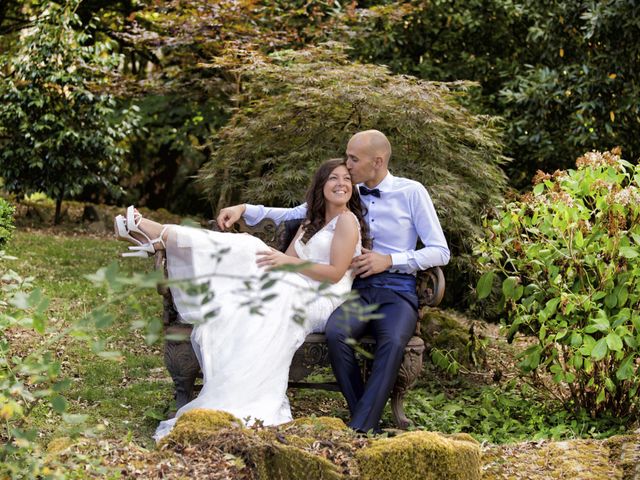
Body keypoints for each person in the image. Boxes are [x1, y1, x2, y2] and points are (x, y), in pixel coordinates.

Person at [113, 159, 367, 441]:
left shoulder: (347, 221)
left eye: (347, 179)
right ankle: (161, 237)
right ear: (321, 185)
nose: (341, 184)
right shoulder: (312, 221)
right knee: (247, 262)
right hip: (295, 284)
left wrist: (282, 262)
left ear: (353, 189)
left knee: (251, 254)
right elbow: (288, 260)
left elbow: (334, 274)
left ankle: (158, 234)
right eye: (333, 178)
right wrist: (272, 258)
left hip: (321, 298)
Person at [217, 130, 450, 434]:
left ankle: (360, 428)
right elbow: (296, 213)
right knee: (337, 331)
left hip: (397, 291)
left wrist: (390, 260)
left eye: (354, 159)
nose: (348, 165)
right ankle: (364, 421)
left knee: (392, 341)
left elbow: (440, 251)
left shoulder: (411, 192)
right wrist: (245, 209)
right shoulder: (348, 195)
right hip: (356, 291)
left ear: (377, 161)